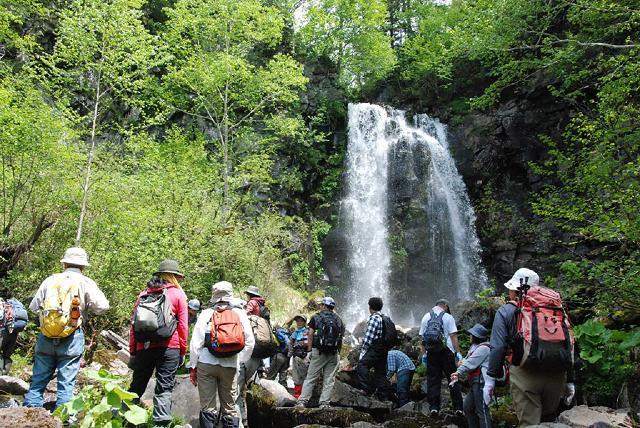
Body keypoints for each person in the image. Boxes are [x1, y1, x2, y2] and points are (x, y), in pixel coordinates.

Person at [485, 268, 575, 427]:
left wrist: (491, 379)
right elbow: (570, 342)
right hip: (556, 373)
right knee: (550, 421)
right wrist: (571, 380)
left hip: (525, 374)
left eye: (511, 289)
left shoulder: (506, 311)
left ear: (515, 290)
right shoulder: (554, 308)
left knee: (530, 424)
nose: (509, 292)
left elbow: (498, 347)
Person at [24, 247, 109, 409]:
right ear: (83, 266)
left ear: (64, 264)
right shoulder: (85, 282)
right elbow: (103, 307)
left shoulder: (50, 280)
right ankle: (63, 419)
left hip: (46, 336)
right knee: (66, 383)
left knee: (37, 381)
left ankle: (29, 413)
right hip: (72, 336)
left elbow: (34, 306)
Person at [128, 259, 189, 427]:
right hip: (170, 347)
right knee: (164, 389)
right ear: (174, 277)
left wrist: (133, 351)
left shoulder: (143, 294)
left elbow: (133, 326)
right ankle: (160, 425)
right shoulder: (178, 295)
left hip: (144, 348)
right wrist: (183, 350)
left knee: (136, 387)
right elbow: (183, 325)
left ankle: (122, 420)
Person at [189, 281, 255, 428]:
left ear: (214, 295)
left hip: (206, 364)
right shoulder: (240, 314)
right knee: (230, 408)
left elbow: (195, 344)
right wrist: (239, 359)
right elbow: (250, 342)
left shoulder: (206, 313)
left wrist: (193, 366)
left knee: (208, 408)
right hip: (230, 365)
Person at [296, 297, 344, 409]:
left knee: (311, 377)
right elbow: (341, 337)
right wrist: (338, 353)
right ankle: (324, 403)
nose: (320, 306)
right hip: (333, 353)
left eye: (321, 304)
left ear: (323, 306)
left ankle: (302, 401)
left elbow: (310, 334)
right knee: (329, 379)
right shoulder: (338, 319)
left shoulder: (316, 317)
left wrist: (309, 350)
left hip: (319, 352)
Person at [419, 298, 463, 416]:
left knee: (433, 379)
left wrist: (424, 355)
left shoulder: (426, 316)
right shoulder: (448, 317)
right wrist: (458, 353)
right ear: (445, 306)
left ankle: (434, 408)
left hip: (431, 352)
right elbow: (453, 336)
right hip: (446, 351)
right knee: (453, 378)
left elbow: (422, 339)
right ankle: (458, 408)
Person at [236, 285, 269, 427]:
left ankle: (241, 421)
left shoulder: (251, 303)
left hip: (247, 350)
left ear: (249, 295)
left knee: (237, 390)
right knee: (250, 387)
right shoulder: (263, 305)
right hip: (258, 350)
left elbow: (244, 314)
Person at [451, 324, 492, 428]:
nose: (470, 336)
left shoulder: (484, 348)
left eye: (472, 335)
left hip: (481, 382)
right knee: (468, 407)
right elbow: (468, 360)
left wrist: (458, 372)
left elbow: (471, 363)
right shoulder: (475, 347)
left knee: (482, 410)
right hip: (475, 382)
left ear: (476, 336)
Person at [357, 297, 389, 400]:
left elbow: (369, 337)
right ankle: (382, 395)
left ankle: (366, 389)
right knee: (380, 371)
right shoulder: (383, 317)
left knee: (362, 365)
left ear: (370, 307)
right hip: (383, 348)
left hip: (375, 348)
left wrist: (363, 352)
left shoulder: (374, 318)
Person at [0, 296, 28, 375]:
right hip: (14, 332)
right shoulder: (13, 308)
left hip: (3, 332)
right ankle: (4, 377)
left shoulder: (3, 306)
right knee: (7, 356)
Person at [287, 315, 310, 398]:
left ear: (304, 322)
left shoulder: (308, 332)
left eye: (301, 321)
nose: (299, 323)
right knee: (296, 377)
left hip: (305, 357)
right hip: (296, 356)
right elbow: (290, 344)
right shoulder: (295, 333)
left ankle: (304, 396)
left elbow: (309, 344)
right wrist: (289, 355)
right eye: (297, 321)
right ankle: (297, 396)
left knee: (305, 376)